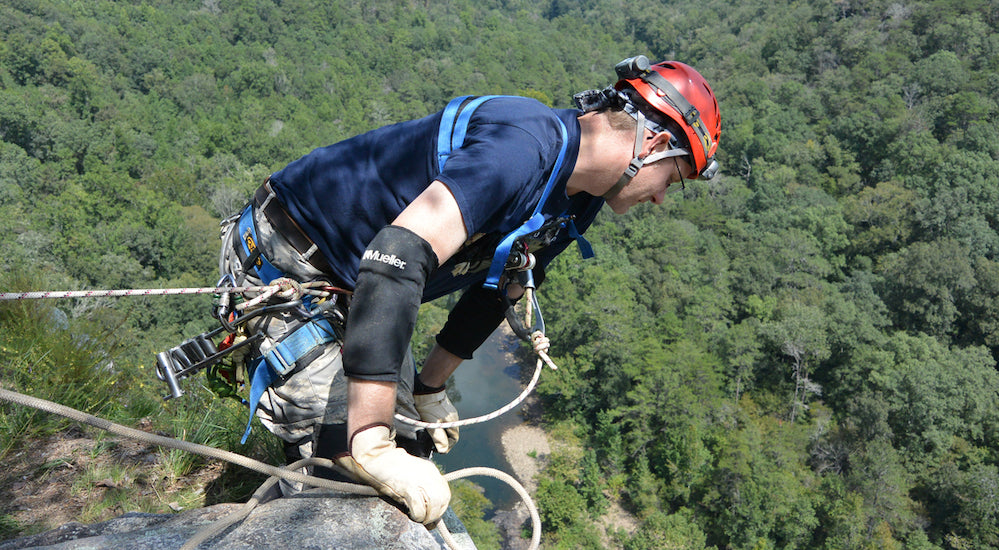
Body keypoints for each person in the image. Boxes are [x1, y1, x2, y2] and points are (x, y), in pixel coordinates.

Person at [215, 55, 720, 526]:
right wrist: (366, 442)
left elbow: (501, 287)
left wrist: (430, 386)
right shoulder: (524, 147)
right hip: (287, 262)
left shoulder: (577, 197)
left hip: (361, 284)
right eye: (670, 180)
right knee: (345, 467)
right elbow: (397, 255)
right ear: (652, 146)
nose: (658, 198)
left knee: (411, 448)